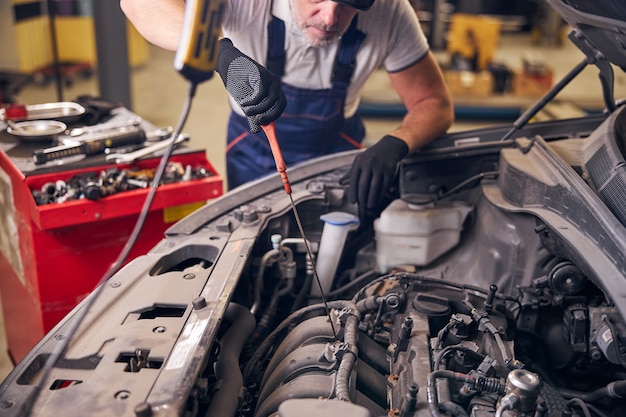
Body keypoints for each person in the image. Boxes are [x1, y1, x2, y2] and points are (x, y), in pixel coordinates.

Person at [120, 0, 454, 211]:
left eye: (349, 5)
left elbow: (434, 103)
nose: (330, 17)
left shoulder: (391, 11)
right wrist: (219, 53)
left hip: (337, 152)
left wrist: (397, 143)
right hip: (251, 151)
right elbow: (139, 4)